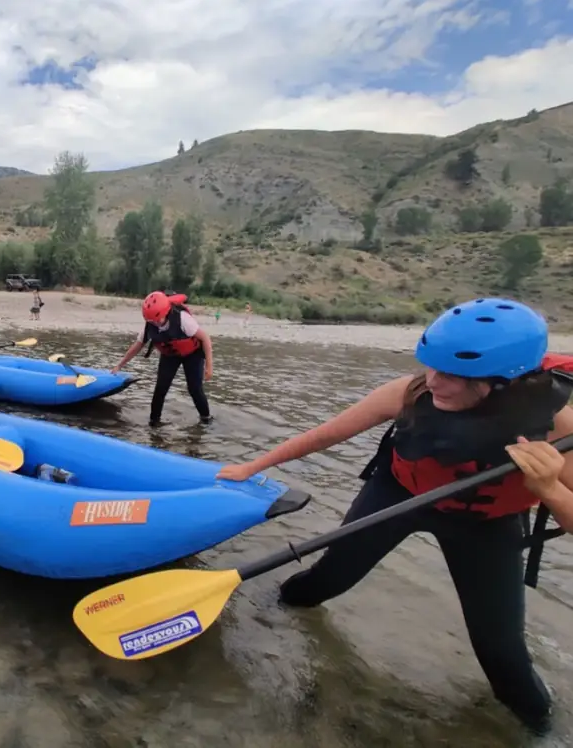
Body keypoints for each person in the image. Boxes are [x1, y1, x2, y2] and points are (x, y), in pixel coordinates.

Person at [216, 297, 573, 735]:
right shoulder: (411, 393)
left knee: (503, 656)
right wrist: (253, 467)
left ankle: (541, 730)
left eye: (452, 376)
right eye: (430, 366)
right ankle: (267, 613)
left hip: (484, 524)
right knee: (324, 581)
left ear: (501, 383)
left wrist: (549, 488)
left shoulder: (555, 426)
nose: (433, 381)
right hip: (398, 494)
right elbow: (326, 434)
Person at [111, 291, 213, 426]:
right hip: (170, 355)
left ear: (165, 313)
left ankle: (206, 418)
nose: (154, 323)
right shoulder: (150, 325)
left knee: (194, 389)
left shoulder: (183, 319)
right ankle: (154, 423)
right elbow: (136, 347)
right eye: (151, 321)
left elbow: (205, 338)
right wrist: (119, 365)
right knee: (160, 389)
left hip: (192, 354)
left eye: (156, 320)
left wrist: (209, 366)